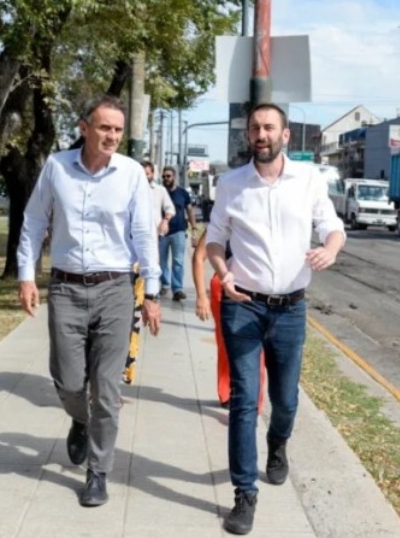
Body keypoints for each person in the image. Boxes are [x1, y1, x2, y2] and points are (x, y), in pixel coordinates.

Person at [206, 103, 345, 535]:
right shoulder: (231, 185)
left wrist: (331, 249)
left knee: (285, 400)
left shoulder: (308, 179)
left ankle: (278, 443)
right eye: (254, 128)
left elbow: (332, 226)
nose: (261, 134)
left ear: (286, 135)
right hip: (243, 304)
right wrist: (223, 275)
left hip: (290, 309)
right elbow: (214, 241)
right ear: (248, 136)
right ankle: (244, 494)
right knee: (245, 401)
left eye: (269, 127)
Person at [16, 95, 161, 508]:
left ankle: (98, 473)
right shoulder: (57, 167)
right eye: (104, 128)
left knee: (108, 388)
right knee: (67, 379)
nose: (112, 136)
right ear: (85, 127)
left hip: (116, 289)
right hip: (65, 289)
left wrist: (151, 292)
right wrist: (27, 276)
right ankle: (79, 418)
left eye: (117, 129)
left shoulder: (132, 174)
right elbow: (33, 223)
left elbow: (144, 235)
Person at [192, 229, 265, 413]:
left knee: (258, 351)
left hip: (256, 288)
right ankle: (228, 393)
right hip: (224, 287)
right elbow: (198, 257)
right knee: (226, 344)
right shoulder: (221, 219)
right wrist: (201, 296)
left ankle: (253, 399)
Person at [161, 166, 199, 301]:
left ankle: (177, 289)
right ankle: (164, 285)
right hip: (162, 232)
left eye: (168, 176)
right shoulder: (160, 192)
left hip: (179, 231)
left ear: (174, 177)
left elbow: (190, 211)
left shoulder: (182, 193)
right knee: (162, 261)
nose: (166, 179)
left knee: (178, 261)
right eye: (164, 176)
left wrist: (194, 230)